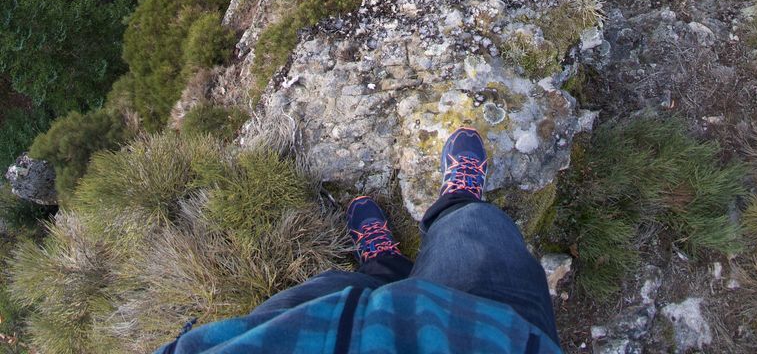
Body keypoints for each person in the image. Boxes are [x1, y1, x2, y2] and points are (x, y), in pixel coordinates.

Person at [154, 127, 561, 353]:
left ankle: (384, 265)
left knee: (341, 285)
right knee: (475, 233)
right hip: (486, 339)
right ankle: (458, 200)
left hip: (279, 337)